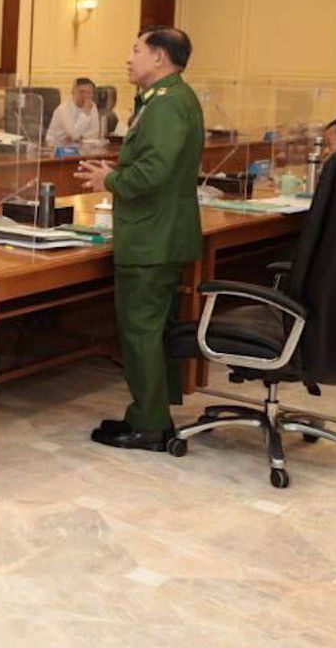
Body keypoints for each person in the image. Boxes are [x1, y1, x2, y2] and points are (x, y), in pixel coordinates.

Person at [74, 26, 203, 451]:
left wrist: (111, 180)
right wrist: (116, 174)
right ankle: (151, 412)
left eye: (136, 50)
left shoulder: (167, 103)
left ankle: (149, 425)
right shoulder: (168, 97)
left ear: (159, 57)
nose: (128, 58)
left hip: (152, 235)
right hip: (159, 231)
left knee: (140, 330)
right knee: (152, 328)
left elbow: (155, 170)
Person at [46, 77, 108, 148]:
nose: (85, 96)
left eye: (88, 92)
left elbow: (94, 133)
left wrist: (79, 138)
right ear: (73, 92)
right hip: (57, 148)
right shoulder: (63, 109)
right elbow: (75, 135)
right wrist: (85, 112)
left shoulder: (92, 106)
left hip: (80, 147)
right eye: (81, 92)